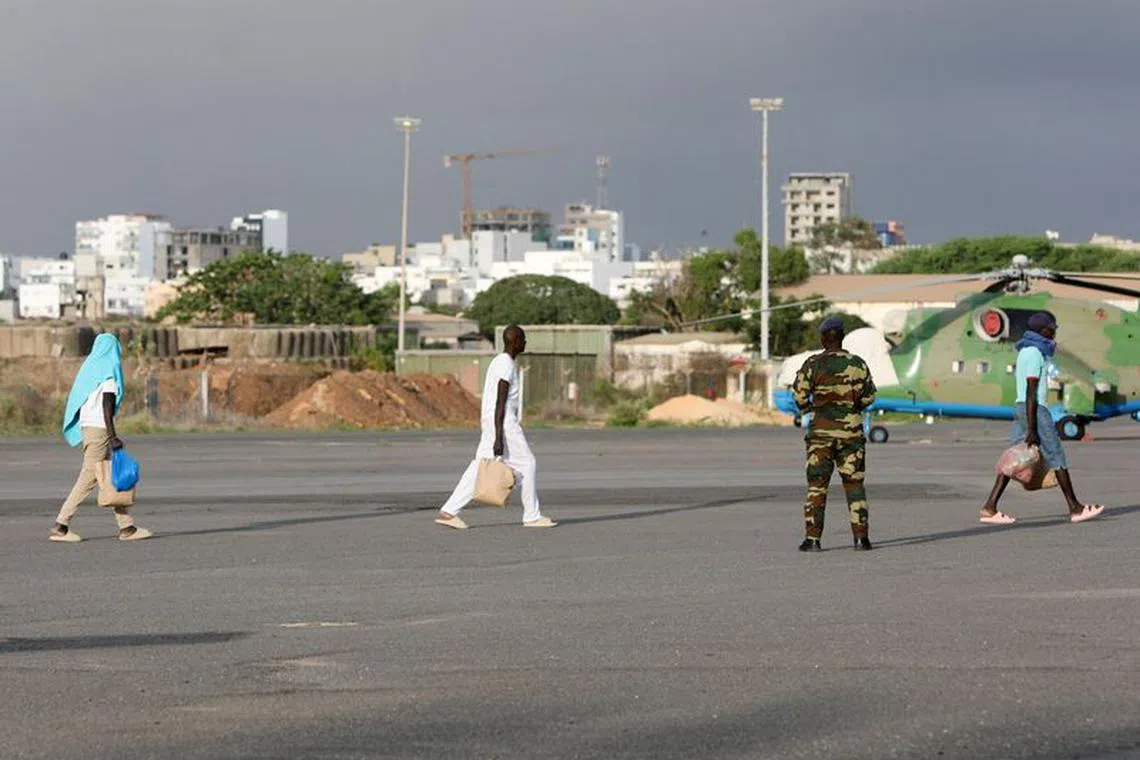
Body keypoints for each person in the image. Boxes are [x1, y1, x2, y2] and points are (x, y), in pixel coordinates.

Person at [979, 312, 1104, 525]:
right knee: (1056, 456)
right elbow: (1031, 390)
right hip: (1034, 408)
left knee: (1013, 458)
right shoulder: (1034, 353)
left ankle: (990, 507)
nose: (1054, 331)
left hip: (1021, 407)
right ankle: (1075, 508)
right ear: (1042, 330)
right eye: (1051, 328)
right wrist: (1033, 429)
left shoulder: (1026, 351)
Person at [435, 325, 556, 530]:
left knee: (481, 466)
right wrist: (499, 436)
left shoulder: (500, 362)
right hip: (503, 423)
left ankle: (449, 511)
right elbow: (501, 402)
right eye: (523, 339)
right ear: (515, 341)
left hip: (493, 422)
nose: (525, 343)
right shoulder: (506, 364)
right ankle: (531, 516)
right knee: (527, 463)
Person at [50, 334, 152, 543]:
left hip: (89, 428)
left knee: (109, 476)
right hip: (100, 430)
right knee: (89, 477)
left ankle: (127, 527)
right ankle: (61, 524)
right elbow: (107, 405)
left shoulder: (90, 371)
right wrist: (113, 436)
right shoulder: (109, 372)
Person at [792, 315, 877, 552]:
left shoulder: (813, 364)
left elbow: (799, 397)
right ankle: (861, 539)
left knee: (817, 486)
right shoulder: (858, 364)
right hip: (851, 436)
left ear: (822, 338)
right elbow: (870, 396)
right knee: (854, 485)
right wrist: (852, 407)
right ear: (841, 337)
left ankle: (813, 539)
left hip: (820, 435)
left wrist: (813, 408)